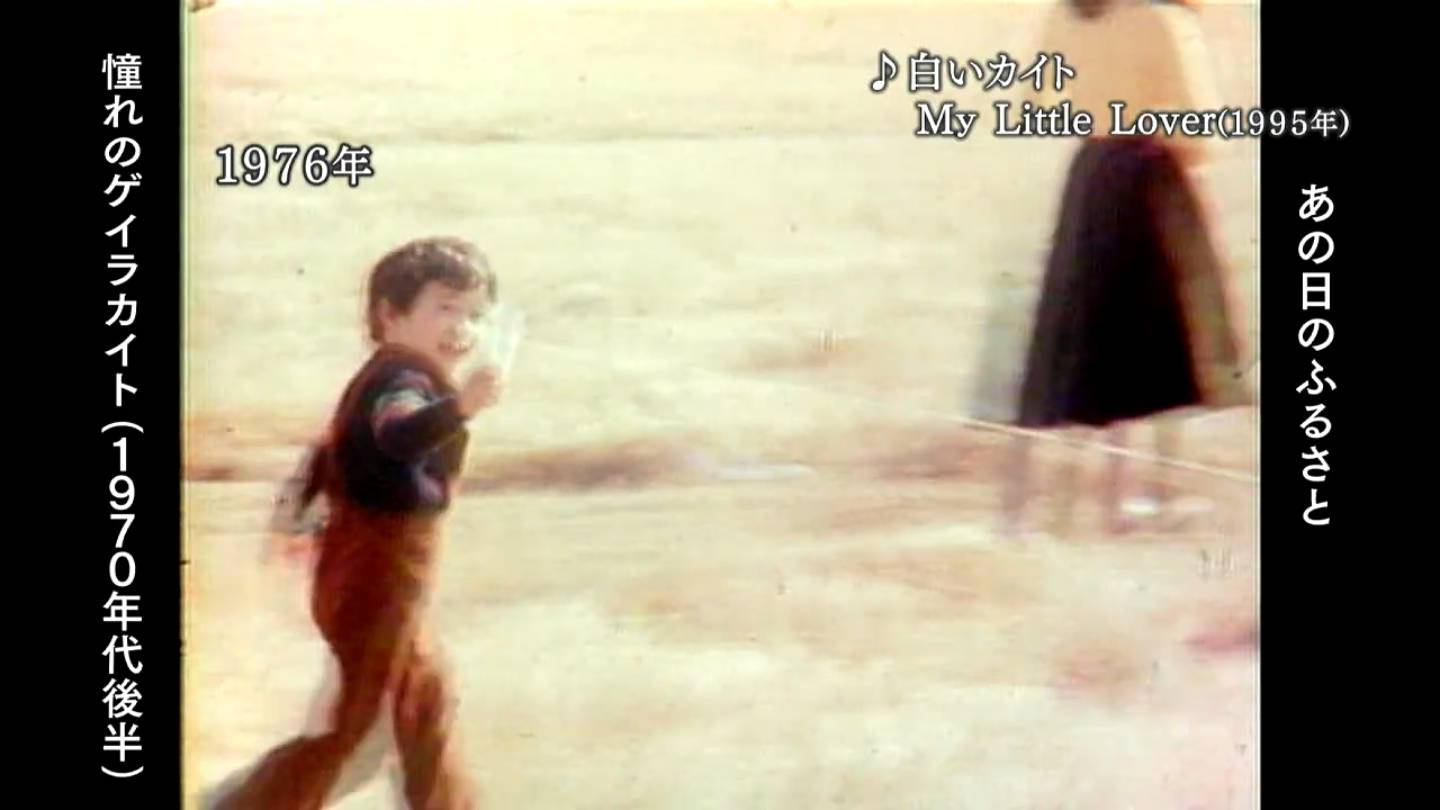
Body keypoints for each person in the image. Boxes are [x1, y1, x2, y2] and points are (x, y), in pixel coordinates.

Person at [210, 236, 505, 809]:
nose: (462, 328)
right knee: (359, 727)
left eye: (474, 314)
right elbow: (397, 436)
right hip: (376, 576)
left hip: (391, 576)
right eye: (445, 308)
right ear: (389, 315)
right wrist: (460, 408)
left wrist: (292, 518)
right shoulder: (399, 382)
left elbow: (329, 455)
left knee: (425, 703)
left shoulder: (401, 378)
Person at [1000, 0, 1250, 538]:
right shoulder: (1165, 21)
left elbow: (1032, 105)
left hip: (1091, 177)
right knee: (1152, 343)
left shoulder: (1065, 15)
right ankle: (1133, 500)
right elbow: (1198, 125)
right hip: (1150, 176)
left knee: (1087, 334)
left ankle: (1064, 503)